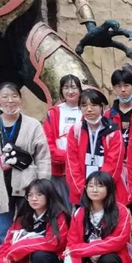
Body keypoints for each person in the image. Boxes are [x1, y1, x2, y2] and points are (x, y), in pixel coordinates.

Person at [0, 82, 51, 263]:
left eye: (14, 96)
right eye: (5, 96)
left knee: (28, 230)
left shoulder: (33, 125)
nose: (10, 101)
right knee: (1, 232)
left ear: (20, 98)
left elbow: (43, 157)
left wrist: (43, 186)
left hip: (28, 188)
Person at [64, 171, 132, 263]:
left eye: (100, 186)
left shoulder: (120, 210)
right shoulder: (79, 213)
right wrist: (83, 257)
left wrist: (89, 250)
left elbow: (118, 241)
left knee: (109, 260)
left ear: (109, 188)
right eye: (90, 186)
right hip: (88, 259)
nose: (94, 190)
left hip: (114, 259)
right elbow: (72, 243)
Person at [65, 89, 127, 206]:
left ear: (101, 107)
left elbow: (114, 164)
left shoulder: (113, 132)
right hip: (82, 194)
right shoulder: (75, 131)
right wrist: (84, 191)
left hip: (109, 193)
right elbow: (71, 165)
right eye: (84, 105)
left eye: (93, 105)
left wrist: (99, 189)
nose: (89, 109)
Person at [42, 74, 83, 205]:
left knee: (82, 208)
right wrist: (66, 157)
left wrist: (76, 160)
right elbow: (47, 142)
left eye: (74, 87)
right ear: (61, 90)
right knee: (62, 209)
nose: (70, 91)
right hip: (59, 171)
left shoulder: (87, 111)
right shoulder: (53, 113)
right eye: (66, 87)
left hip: (81, 171)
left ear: (80, 90)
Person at [105, 68, 132, 151]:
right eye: (119, 86)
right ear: (114, 89)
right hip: (115, 156)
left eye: (126, 85)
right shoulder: (108, 115)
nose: (123, 90)